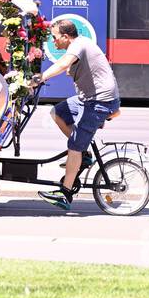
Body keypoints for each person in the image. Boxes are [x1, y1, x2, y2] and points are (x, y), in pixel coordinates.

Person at [30, 18, 120, 210]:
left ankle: (65, 193)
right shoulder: (78, 45)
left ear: (65, 36)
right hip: (87, 98)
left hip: (99, 102)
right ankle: (84, 154)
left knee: (74, 146)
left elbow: (64, 64)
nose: (53, 42)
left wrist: (41, 77)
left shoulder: (79, 45)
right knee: (58, 112)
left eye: (55, 38)